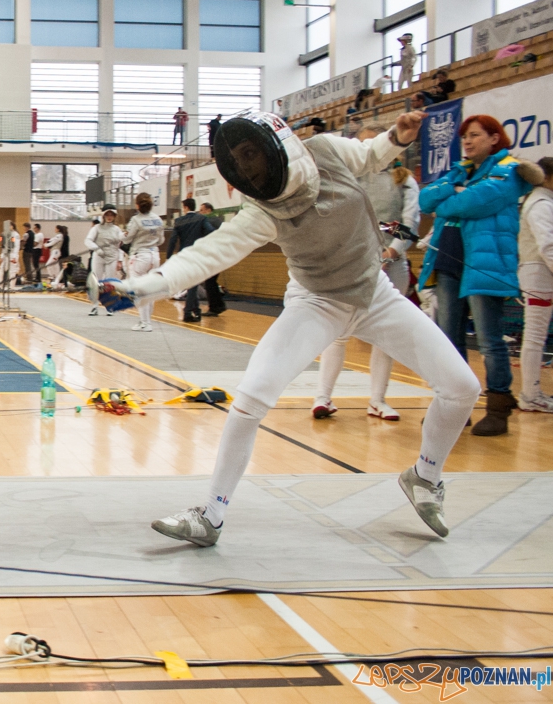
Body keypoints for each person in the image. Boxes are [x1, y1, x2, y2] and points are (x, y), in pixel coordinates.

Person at [103, 109, 481, 546]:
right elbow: (205, 256)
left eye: (250, 153)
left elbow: (369, 155)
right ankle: (210, 514)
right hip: (317, 302)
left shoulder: (326, 151)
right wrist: (139, 288)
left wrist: (397, 137)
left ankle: (424, 477)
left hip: (375, 294)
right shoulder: (263, 210)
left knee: (462, 388)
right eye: (238, 161)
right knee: (251, 398)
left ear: (275, 143)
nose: (246, 166)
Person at [418, 115, 542, 435]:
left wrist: (451, 199)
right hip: (448, 262)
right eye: (464, 138)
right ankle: (455, 407)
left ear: (494, 139)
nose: (468, 142)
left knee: (489, 341)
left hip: (483, 265)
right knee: (449, 341)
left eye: (474, 135)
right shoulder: (461, 170)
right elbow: (425, 199)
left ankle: (499, 408)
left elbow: (473, 202)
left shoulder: (510, 170)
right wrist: (452, 186)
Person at [314, 129, 419, 421]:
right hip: (349, 263)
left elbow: (409, 223)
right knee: (339, 332)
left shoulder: (404, 180)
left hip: (392, 265)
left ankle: (377, 400)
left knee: (386, 335)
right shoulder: (344, 178)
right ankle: (322, 397)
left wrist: (391, 251)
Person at [517, 157, 553, 413]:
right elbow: (548, 246)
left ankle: (532, 393)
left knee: (535, 337)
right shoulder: (541, 203)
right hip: (538, 274)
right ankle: (530, 395)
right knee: (535, 337)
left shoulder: (542, 201)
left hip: (539, 273)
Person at [164, 198, 215, 323]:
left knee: (191, 283)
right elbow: (211, 231)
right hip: (197, 254)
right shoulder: (201, 219)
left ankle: (194, 311)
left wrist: (168, 256)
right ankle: (189, 311)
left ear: (185, 207)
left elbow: (173, 240)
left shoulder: (179, 221)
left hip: (184, 255)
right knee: (193, 283)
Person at [125, 193, 165, 331]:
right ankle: (146, 321)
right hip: (155, 256)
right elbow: (161, 240)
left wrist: (120, 235)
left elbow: (127, 239)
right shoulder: (158, 219)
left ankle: (145, 323)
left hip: (140, 256)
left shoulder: (135, 220)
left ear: (137, 205)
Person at [84, 204, 124, 316]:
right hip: (99, 257)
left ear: (114, 216)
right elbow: (88, 241)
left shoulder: (117, 229)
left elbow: (119, 245)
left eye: (112, 214)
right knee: (96, 282)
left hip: (112, 257)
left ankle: (109, 306)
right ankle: (94, 306)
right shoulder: (96, 228)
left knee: (109, 282)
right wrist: (97, 249)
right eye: (107, 214)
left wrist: (120, 260)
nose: (109, 216)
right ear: (104, 215)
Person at [198, 203, 227, 317]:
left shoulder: (209, 221)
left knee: (210, 281)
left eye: (202, 210)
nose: (200, 212)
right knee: (211, 281)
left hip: (213, 254)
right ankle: (218, 305)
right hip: (219, 253)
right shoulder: (218, 221)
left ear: (208, 210)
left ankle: (215, 307)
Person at [0, 220, 21, 286]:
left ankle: (12, 287)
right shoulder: (6, 234)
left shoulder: (15, 235)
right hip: (5, 255)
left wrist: (14, 257)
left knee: (12, 271)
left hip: (12, 255)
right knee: (1, 270)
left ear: (12, 226)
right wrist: (1, 256)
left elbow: (16, 246)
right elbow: (3, 246)